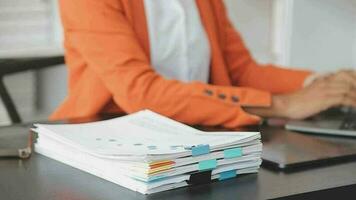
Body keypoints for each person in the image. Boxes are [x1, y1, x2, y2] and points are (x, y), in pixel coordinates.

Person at [51, 0, 356, 128]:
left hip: (198, 132)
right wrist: (282, 105)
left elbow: (240, 71)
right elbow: (141, 93)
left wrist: (321, 84)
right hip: (110, 136)